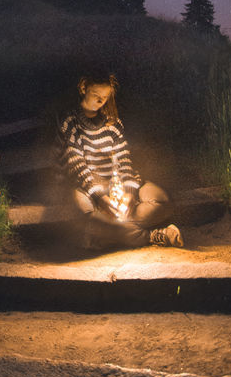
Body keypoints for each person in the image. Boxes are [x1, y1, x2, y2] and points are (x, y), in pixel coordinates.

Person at [57, 73, 183, 250]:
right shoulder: (70, 123)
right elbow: (78, 166)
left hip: (117, 188)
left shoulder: (113, 124)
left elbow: (124, 160)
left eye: (105, 98)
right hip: (88, 191)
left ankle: (111, 234)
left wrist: (130, 192)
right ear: (83, 88)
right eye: (96, 96)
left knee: (163, 201)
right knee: (90, 218)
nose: (101, 102)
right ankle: (152, 235)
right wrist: (100, 197)